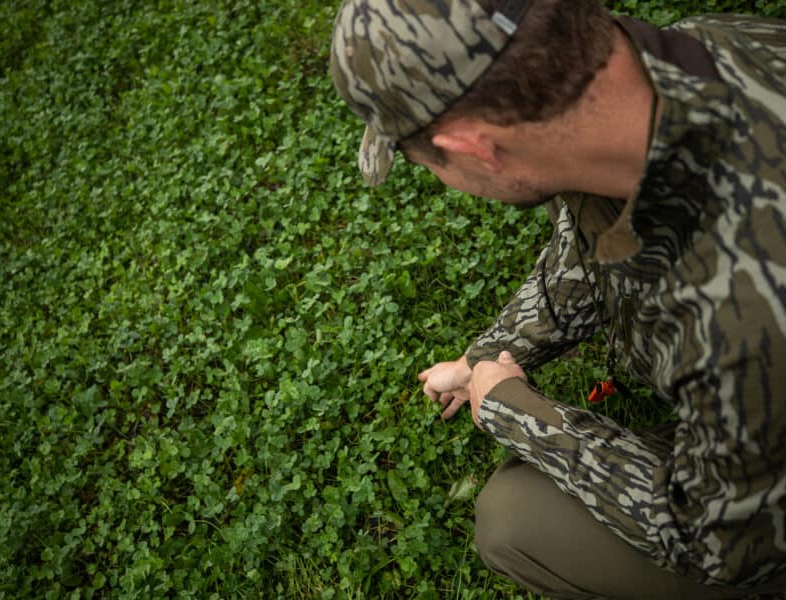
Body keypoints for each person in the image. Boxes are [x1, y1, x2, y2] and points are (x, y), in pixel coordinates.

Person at [330, 0, 786, 598]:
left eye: (427, 164)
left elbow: (716, 541)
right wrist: (486, 358)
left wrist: (514, 409)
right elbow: (589, 239)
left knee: (514, 517)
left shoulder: (740, 319)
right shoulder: (694, 53)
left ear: (474, 148)